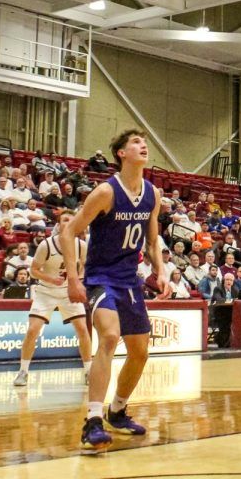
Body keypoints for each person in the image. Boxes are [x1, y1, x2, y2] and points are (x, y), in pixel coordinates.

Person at [63, 129, 166, 451]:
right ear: (121, 153)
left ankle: (117, 410)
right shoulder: (106, 192)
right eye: (135, 142)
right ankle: (92, 420)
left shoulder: (153, 194)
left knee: (140, 352)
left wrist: (160, 270)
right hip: (100, 277)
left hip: (130, 279)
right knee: (108, 336)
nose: (143, 145)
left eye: (144, 142)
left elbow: (151, 240)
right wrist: (73, 278)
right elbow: (69, 231)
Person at [14, 212, 92, 387]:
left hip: (68, 292)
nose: (69, 222)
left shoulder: (81, 245)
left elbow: (86, 267)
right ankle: (23, 371)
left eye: (72, 220)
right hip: (46, 291)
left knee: (82, 329)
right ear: (58, 224)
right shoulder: (46, 245)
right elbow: (33, 270)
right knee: (33, 330)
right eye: (65, 219)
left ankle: (88, 371)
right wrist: (51, 279)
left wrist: (77, 280)